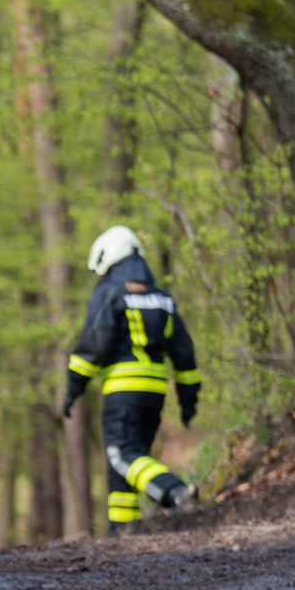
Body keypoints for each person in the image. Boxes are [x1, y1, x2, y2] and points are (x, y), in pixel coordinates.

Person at [61, 225, 201, 532]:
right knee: (128, 463)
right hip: (154, 391)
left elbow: (93, 345)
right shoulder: (162, 299)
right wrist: (188, 400)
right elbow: (184, 354)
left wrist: (73, 388)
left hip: (122, 389)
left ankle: (175, 492)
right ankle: (122, 532)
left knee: (122, 454)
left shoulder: (110, 294)